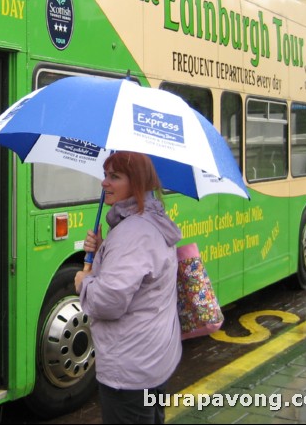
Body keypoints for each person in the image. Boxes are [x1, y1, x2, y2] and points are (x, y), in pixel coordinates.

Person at [74, 151, 182, 424]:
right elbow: (139, 277)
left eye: (115, 176)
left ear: (135, 183)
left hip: (130, 370)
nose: (104, 183)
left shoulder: (131, 233)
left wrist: (84, 282)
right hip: (153, 359)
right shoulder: (149, 221)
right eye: (105, 174)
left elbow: (109, 301)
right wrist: (102, 251)